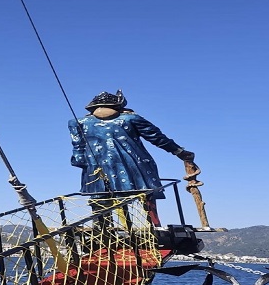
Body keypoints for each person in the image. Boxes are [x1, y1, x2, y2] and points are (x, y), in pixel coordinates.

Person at [68, 90, 194, 226]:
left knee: (100, 201)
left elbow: (78, 154)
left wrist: (82, 162)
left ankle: (102, 229)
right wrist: (179, 152)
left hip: (96, 171)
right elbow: (156, 137)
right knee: (147, 195)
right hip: (135, 167)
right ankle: (154, 226)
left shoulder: (78, 122)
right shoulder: (131, 118)